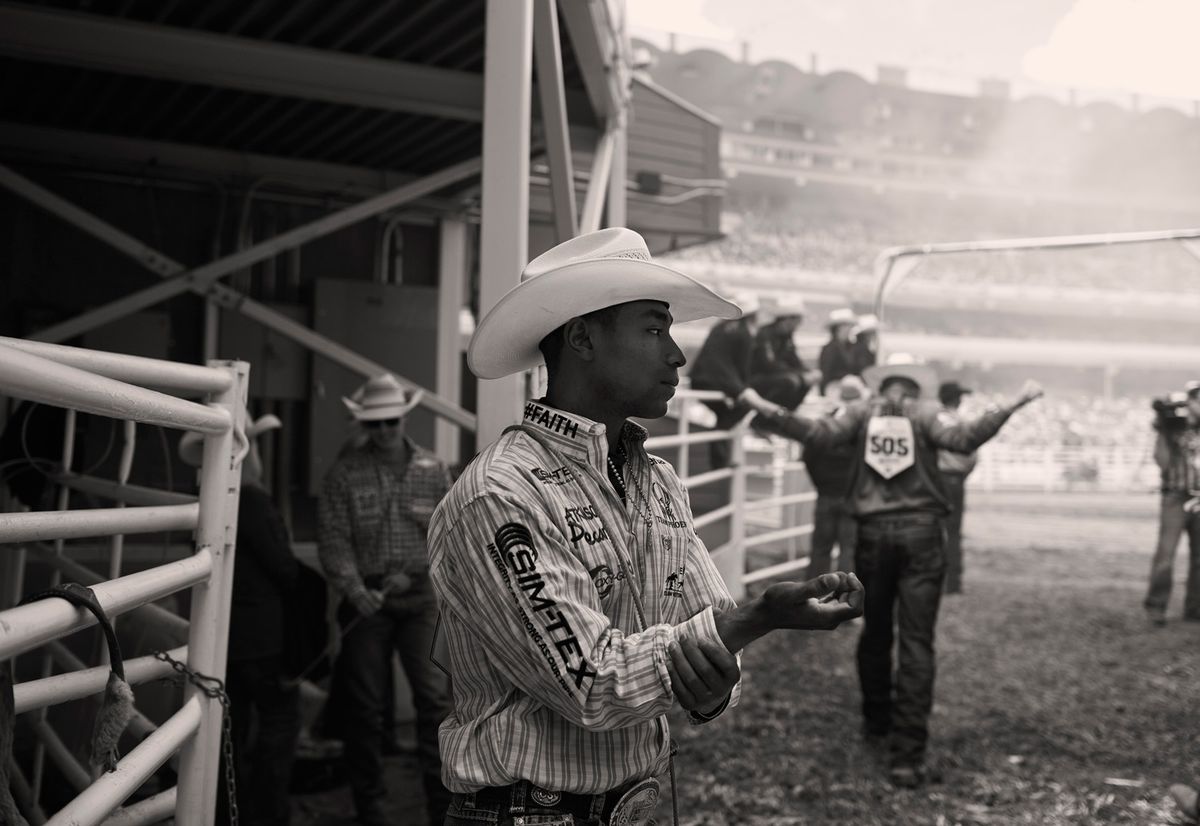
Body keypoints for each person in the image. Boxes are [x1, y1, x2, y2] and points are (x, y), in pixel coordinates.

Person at [429, 227, 864, 826]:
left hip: (633, 803)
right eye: (655, 329)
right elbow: (592, 682)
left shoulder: (656, 481)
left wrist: (715, 668)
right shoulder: (500, 494)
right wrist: (751, 620)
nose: (677, 354)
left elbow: (713, 657)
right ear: (582, 337)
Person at [744, 354, 1043, 788]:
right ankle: (908, 755)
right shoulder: (926, 414)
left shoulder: (861, 413)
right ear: (916, 385)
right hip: (922, 532)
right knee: (917, 641)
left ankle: (876, 722)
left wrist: (764, 406)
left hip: (873, 533)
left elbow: (817, 434)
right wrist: (1013, 403)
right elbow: (963, 438)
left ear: (882, 384)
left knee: (875, 631)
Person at [317, 374, 453, 826]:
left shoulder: (433, 471)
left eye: (390, 422)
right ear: (365, 425)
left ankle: (442, 807)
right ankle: (370, 810)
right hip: (367, 599)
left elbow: (449, 538)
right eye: (375, 425)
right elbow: (333, 540)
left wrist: (423, 575)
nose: (384, 431)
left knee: (434, 701)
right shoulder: (344, 473)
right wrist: (357, 591)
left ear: (403, 419)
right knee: (366, 709)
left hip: (420, 597)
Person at [180, 411, 301, 826]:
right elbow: (283, 568)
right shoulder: (250, 497)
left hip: (222, 636)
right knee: (277, 722)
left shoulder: (205, 499)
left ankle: (230, 812)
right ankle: (266, 815)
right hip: (262, 638)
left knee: (228, 727)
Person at [1144, 383, 1200, 627]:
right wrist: (1163, 429)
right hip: (1175, 497)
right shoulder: (1173, 427)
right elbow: (1163, 462)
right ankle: (1156, 607)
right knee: (1165, 555)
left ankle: (1195, 608)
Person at [803, 376, 867, 578]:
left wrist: (820, 482)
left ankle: (813, 594)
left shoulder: (827, 421)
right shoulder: (861, 424)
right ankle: (844, 598)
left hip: (826, 492)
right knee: (849, 549)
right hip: (851, 495)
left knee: (820, 547)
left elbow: (808, 454)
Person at [936, 380, 978, 595]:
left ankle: (936, 578)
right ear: (956, 399)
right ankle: (952, 581)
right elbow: (972, 455)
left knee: (934, 529)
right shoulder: (961, 422)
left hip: (936, 479)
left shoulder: (933, 420)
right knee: (953, 531)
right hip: (954, 479)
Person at [818, 308, 859, 394]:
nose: (849, 329)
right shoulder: (829, 348)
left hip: (851, 386)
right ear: (838, 328)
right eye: (846, 325)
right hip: (834, 387)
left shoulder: (852, 346)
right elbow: (826, 372)